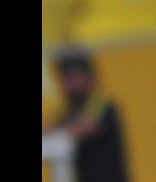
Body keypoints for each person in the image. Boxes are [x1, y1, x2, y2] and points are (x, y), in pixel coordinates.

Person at [43, 48, 130, 182]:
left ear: (89, 77)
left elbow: (87, 126)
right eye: (65, 78)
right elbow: (51, 127)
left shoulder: (101, 103)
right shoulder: (70, 111)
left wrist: (58, 131)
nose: (70, 83)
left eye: (74, 77)